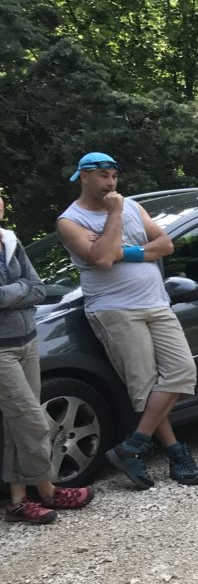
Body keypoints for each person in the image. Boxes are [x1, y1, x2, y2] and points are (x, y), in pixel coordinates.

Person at [57, 152, 198, 488]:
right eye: (103, 176)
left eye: (114, 176)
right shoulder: (70, 221)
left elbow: (165, 244)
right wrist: (114, 215)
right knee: (145, 387)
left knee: (183, 371)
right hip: (115, 310)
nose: (111, 183)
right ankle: (175, 452)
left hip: (157, 303)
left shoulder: (133, 206)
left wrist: (124, 251)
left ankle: (132, 446)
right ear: (84, 176)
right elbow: (101, 259)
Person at [2, 195, 94, 523]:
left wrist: (12, 292)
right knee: (32, 422)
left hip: (27, 341)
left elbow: (38, 289)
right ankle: (48, 489)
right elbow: (26, 289)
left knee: (16, 425)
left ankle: (17, 502)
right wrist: (20, 291)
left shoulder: (9, 241)